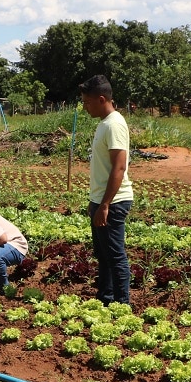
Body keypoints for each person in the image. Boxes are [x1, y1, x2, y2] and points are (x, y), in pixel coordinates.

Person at [79, 74, 134, 306]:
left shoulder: (114, 125)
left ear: (102, 99)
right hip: (101, 201)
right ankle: (106, 298)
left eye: (87, 103)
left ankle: (122, 304)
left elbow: (119, 168)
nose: (85, 107)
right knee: (103, 255)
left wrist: (105, 205)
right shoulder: (104, 124)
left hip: (113, 202)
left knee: (115, 255)